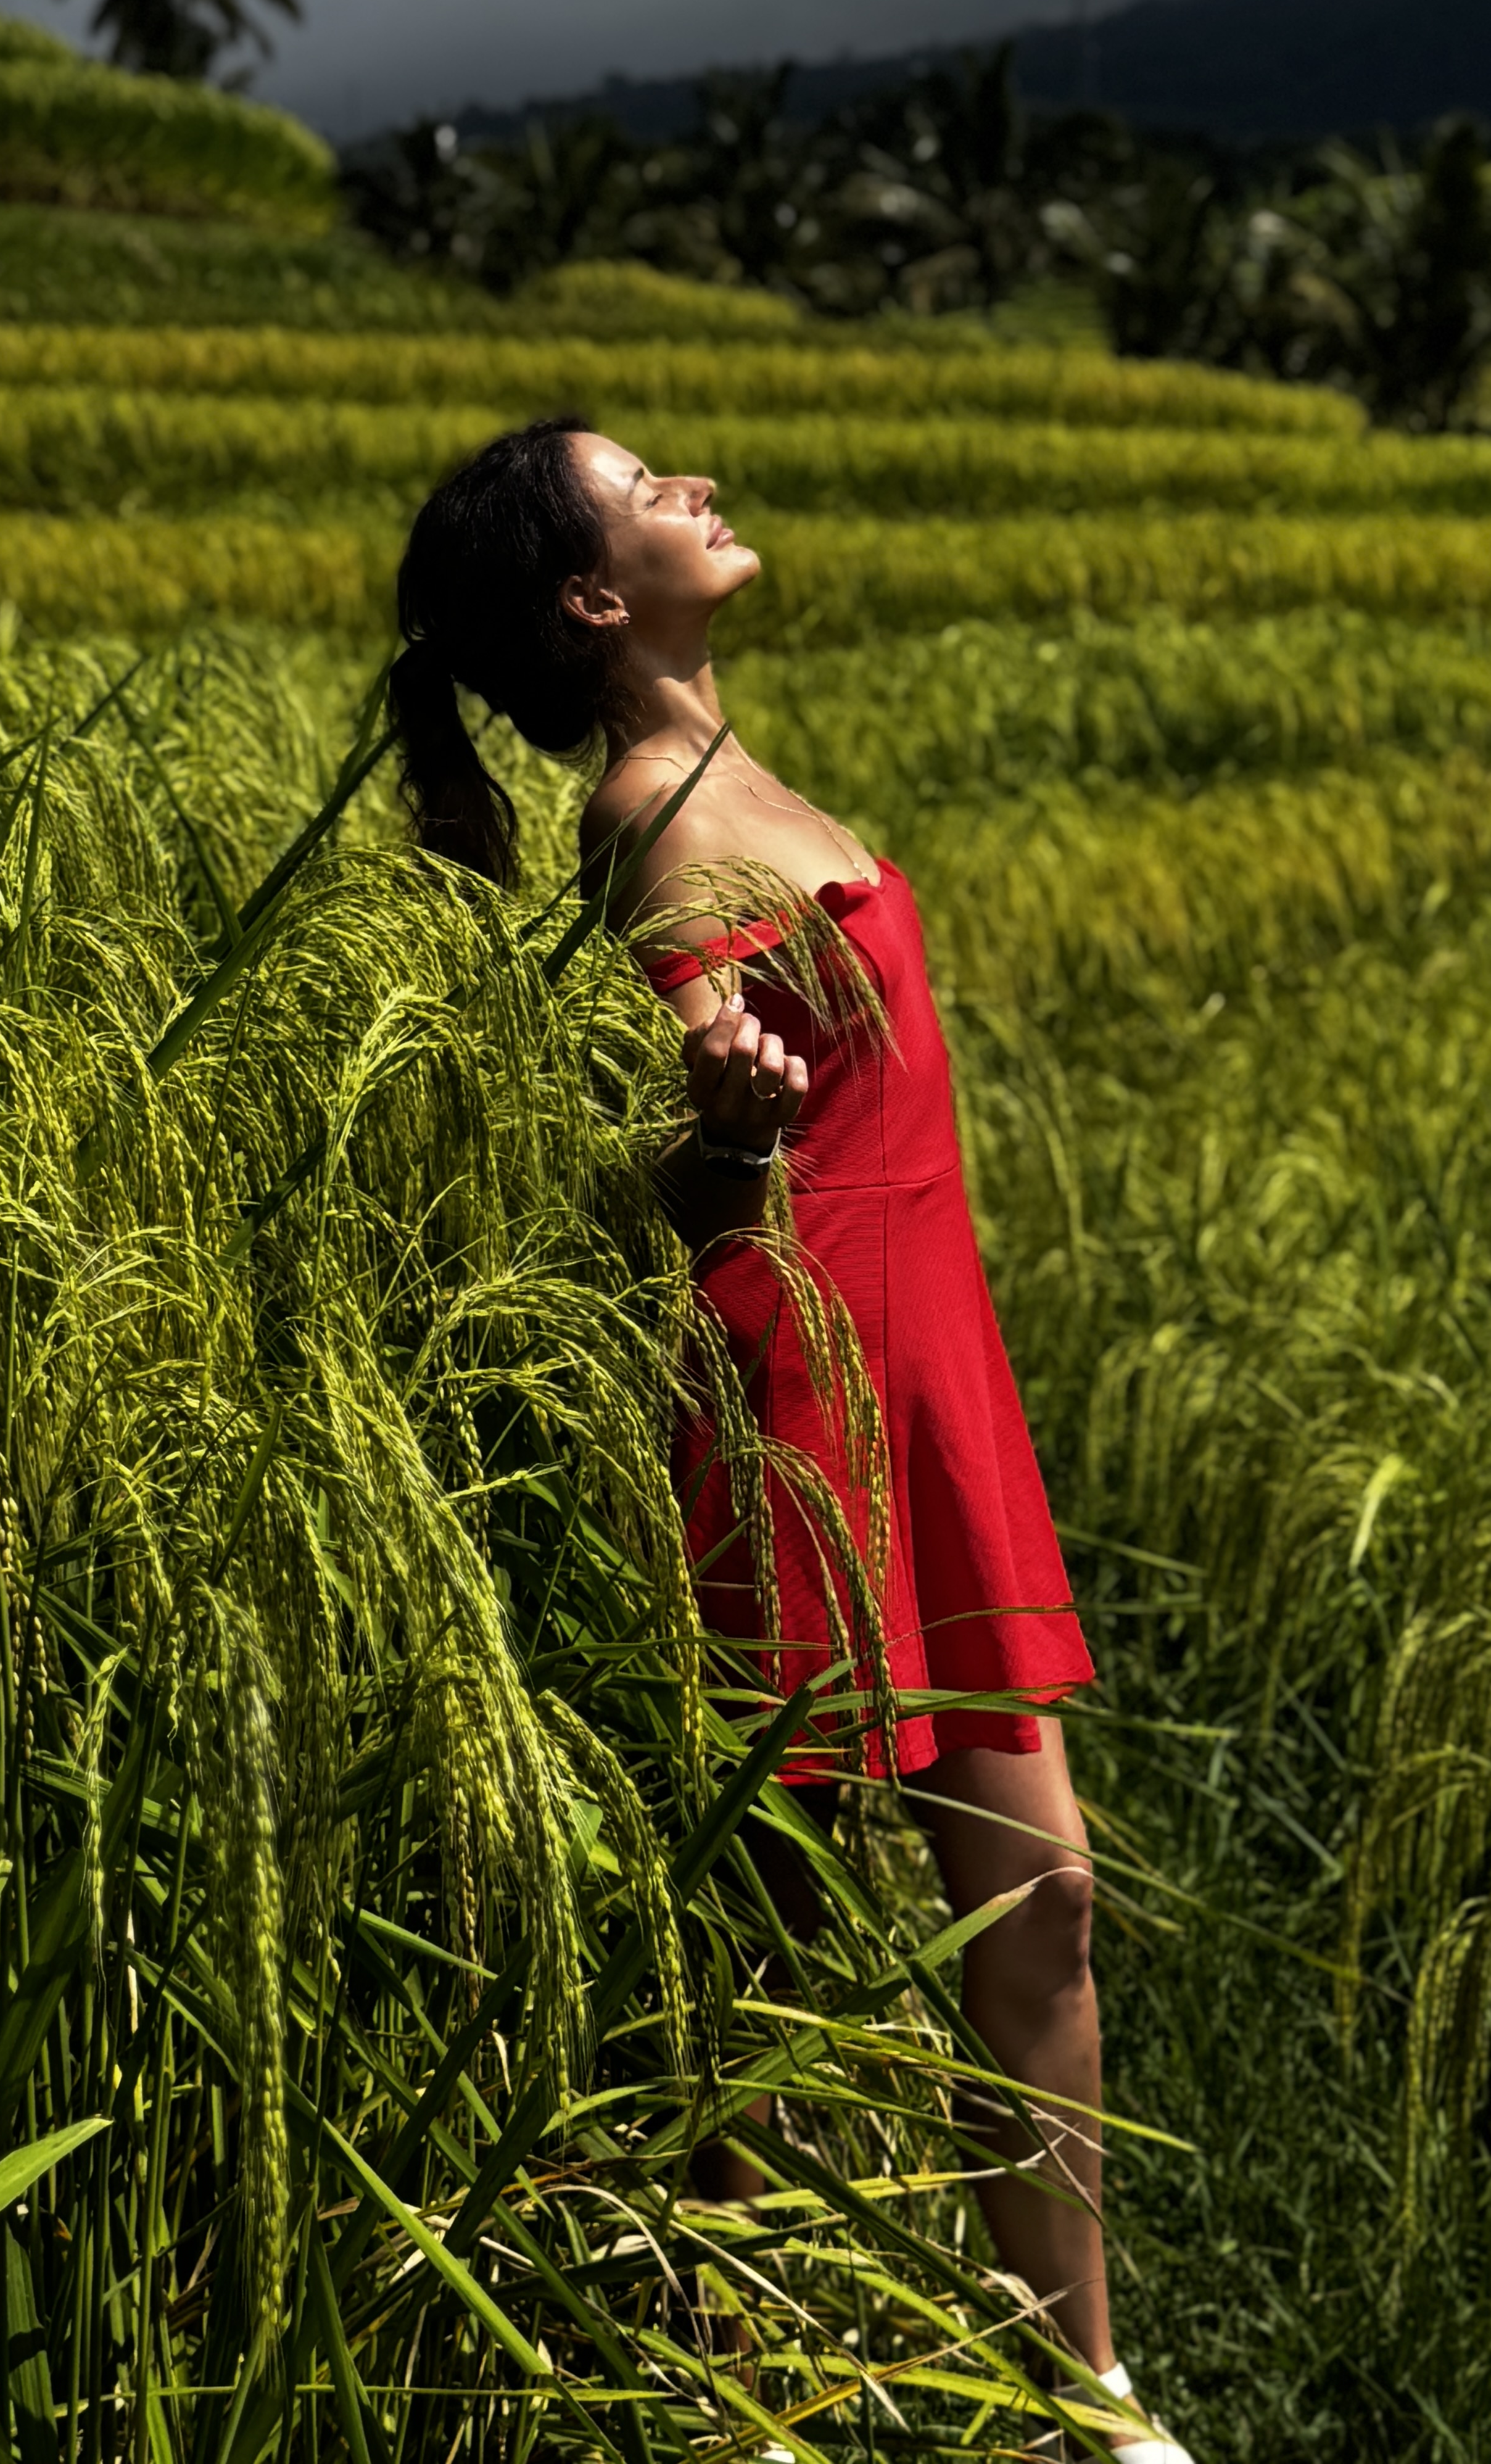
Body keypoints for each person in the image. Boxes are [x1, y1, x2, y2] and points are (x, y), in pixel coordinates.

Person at [389, 414, 1191, 2464]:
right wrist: (714, 1112)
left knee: (1043, 1911)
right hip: (796, 1409)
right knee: (766, 1954)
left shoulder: (725, 770)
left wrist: (736, 1106)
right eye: (647, 490)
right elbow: (668, 1159)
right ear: (593, 600)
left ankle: (1076, 2395)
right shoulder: (656, 825)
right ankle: (739, 2400)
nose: (697, 490)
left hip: (924, 1385)